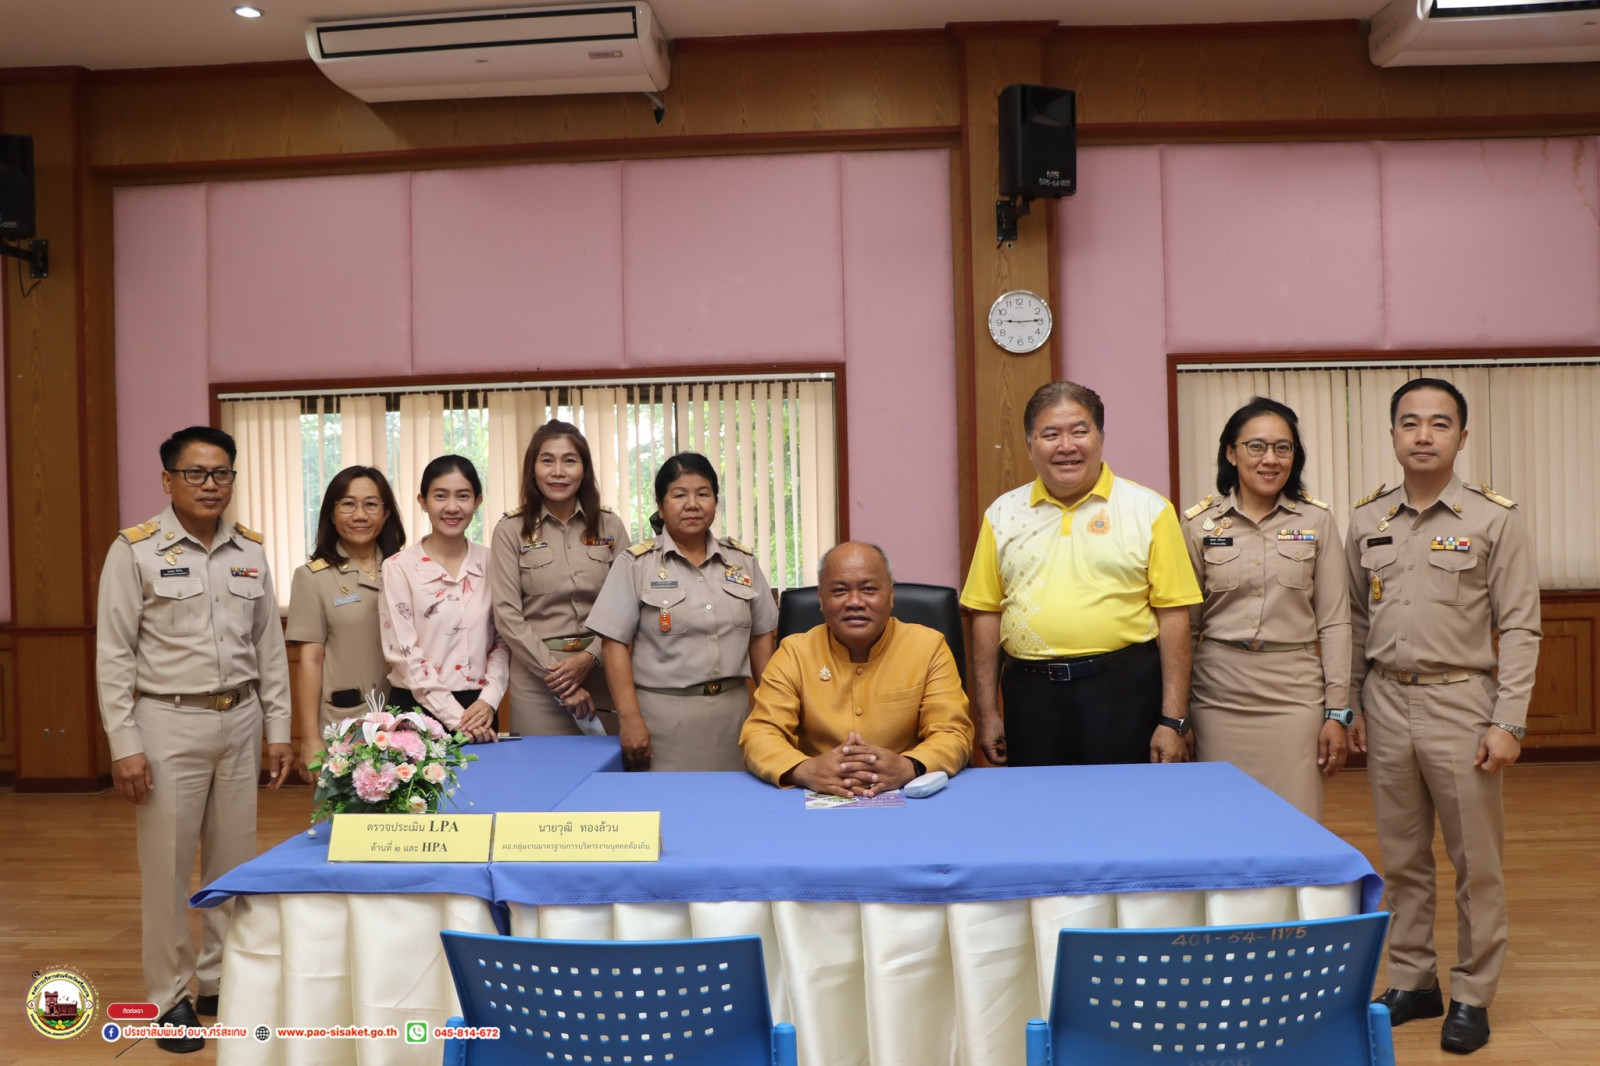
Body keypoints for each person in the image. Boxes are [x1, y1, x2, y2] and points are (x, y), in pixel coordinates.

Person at [1346, 378, 1541, 1054]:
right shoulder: (1367, 519)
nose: (1423, 435)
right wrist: (1350, 704)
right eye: (1410, 423)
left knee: (1475, 862)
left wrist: (1508, 721)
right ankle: (1413, 980)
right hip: (1384, 700)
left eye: (1438, 423)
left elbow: (1521, 626)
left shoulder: (1493, 519)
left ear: (1462, 436)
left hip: (1463, 702)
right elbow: (1354, 621)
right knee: (1402, 858)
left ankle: (1472, 993)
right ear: (1392, 434)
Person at [95, 426, 293, 1053]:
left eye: (221, 473)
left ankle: (218, 981)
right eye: (196, 473)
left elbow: (269, 648)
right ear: (168, 480)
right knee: (168, 868)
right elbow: (113, 654)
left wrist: (278, 730)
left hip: (240, 719)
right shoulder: (134, 551)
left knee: (233, 865)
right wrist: (124, 744)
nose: (211, 485)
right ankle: (169, 996)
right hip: (167, 721)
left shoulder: (249, 550)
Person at [961, 381, 1203, 767]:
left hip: (1123, 690)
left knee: (1123, 801)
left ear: (1101, 438)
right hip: (1030, 696)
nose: (1066, 446)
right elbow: (986, 614)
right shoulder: (1002, 514)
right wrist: (988, 713)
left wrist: (1173, 720)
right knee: (1039, 802)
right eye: (1050, 434)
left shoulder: (1149, 509)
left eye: (1079, 431)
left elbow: (1174, 616)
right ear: (1029, 445)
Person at [1181, 397, 1351, 820]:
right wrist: (1177, 714)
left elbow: (1335, 622)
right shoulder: (1199, 525)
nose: (1270, 459)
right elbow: (1185, 628)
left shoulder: (1316, 521)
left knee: (1296, 819)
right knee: (1222, 819)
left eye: (1283, 448)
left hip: (1294, 698)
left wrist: (1337, 711)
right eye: (1256, 446)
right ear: (1231, 453)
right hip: (1217, 696)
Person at [586, 452, 778, 771]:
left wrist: (774, 712)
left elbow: (761, 637)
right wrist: (630, 719)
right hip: (662, 722)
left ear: (715, 501)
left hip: (736, 718)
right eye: (679, 495)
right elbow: (613, 645)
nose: (692, 504)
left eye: (703, 494)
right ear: (661, 506)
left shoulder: (742, 563)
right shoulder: (636, 565)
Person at [740, 541, 973, 796]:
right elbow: (760, 734)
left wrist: (910, 766)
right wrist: (805, 770)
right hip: (816, 794)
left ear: (891, 595)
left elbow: (952, 732)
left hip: (906, 794)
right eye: (840, 591)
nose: (854, 602)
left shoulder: (928, 647)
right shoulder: (794, 653)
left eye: (869, 589)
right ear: (821, 599)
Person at [490, 421, 631, 735]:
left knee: (606, 764)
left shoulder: (610, 526)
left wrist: (590, 658)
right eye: (547, 460)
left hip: (604, 674)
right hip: (538, 681)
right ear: (533, 470)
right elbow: (507, 615)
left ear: (584, 469)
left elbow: (628, 606)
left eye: (569, 460)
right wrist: (557, 678)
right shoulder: (510, 530)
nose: (558, 472)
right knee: (543, 765)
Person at [379, 455, 509, 744]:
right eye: (440, 496)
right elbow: (404, 653)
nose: (452, 507)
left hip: (480, 711)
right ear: (423, 501)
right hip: (417, 710)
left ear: (477, 501)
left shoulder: (494, 562)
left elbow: (503, 640)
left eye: (463, 496)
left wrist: (488, 699)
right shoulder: (399, 568)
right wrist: (457, 719)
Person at [287, 466, 406, 779]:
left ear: (386, 513)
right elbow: (310, 661)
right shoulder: (313, 577)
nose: (360, 515)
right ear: (331, 513)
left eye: (371, 504)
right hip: (345, 724)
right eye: (348, 504)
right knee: (346, 808)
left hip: (405, 719)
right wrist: (310, 738)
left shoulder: (405, 569)